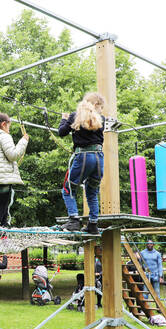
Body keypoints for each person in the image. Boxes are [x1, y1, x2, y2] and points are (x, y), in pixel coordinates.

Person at [59, 92, 106, 235]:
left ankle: (73, 219)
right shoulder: (101, 119)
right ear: (96, 105)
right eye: (101, 108)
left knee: (68, 189)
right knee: (92, 191)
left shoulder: (75, 116)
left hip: (83, 157)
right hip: (99, 158)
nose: (101, 111)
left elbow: (62, 132)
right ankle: (93, 224)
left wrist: (64, 119)